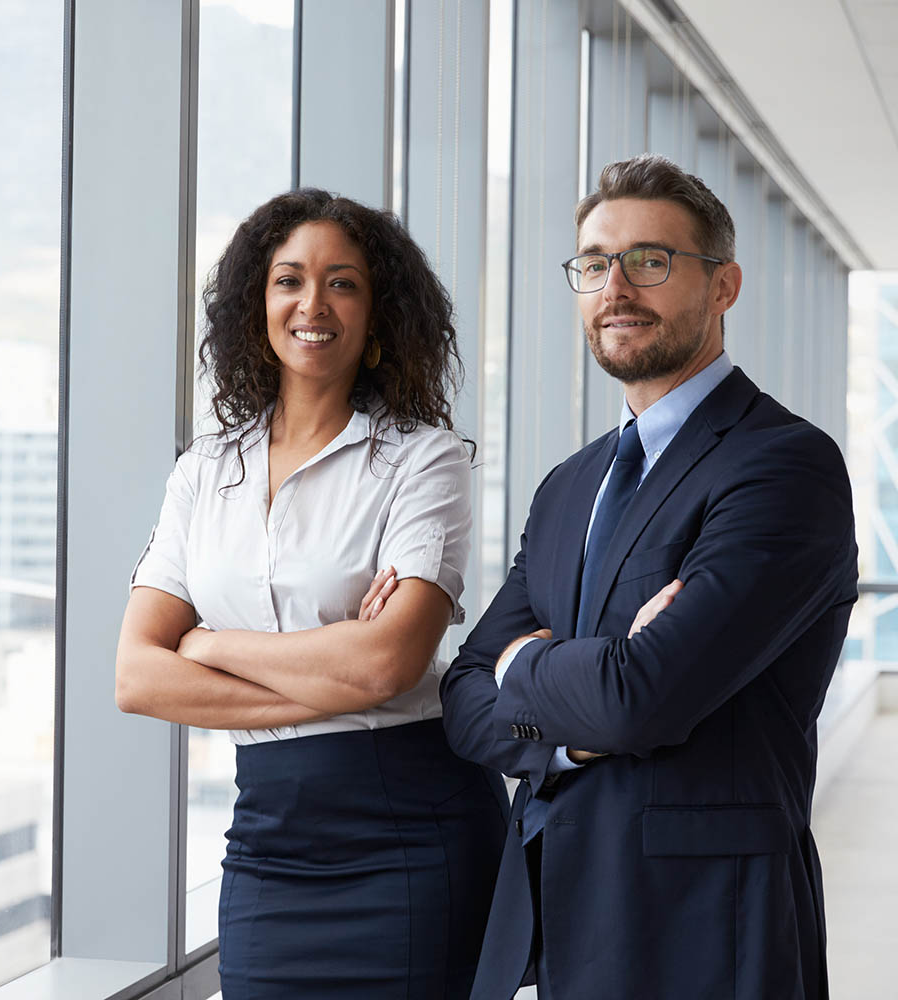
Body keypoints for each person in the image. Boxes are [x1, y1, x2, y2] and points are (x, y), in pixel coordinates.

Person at [438, 155, 858, 999]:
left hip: (707, 929)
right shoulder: (569, 485)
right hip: (557, 922)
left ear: (723, 285)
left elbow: (641, 696)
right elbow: (462, 699)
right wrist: (573, 722)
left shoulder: (784, 467)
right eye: (594, 265)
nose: (616, 288)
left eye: (651, 261)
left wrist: (526, 666)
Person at [114, 189, 509, 999]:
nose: (313, 303)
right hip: (267, 843)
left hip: (410, 831)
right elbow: (138, 678)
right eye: (289, 279)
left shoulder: (423, 461)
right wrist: (332, 668)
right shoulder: (204, 471)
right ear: (258, 304)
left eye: (344, 283)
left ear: (378, 316)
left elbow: (388, 665)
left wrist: (212, 646)